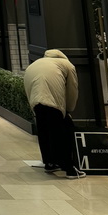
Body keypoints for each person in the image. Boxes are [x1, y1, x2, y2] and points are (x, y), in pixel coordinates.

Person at [22, 49, 85, 179]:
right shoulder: (67, 65)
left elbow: (27, 87)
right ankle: (69, 168)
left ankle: (49, 163)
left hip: (36, 101)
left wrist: (33, 106)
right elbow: (72, 89)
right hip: (53, 102)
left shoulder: (35, 64)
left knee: (43, 130)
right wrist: (68, 109)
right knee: (62, 132)